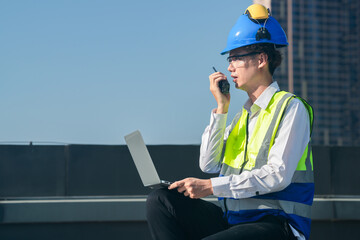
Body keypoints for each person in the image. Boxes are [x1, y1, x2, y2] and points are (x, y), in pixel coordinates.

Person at [146, 4, 314, 240]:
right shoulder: (240, 117)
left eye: (236, 58)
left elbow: (277, 175)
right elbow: (208, 164)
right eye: (229, 59)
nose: (229, 66)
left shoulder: (291, 107)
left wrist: (210, 187)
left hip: (277, 225)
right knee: (161, 200)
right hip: (234, 222)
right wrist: (221, 108)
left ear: (261, 59)